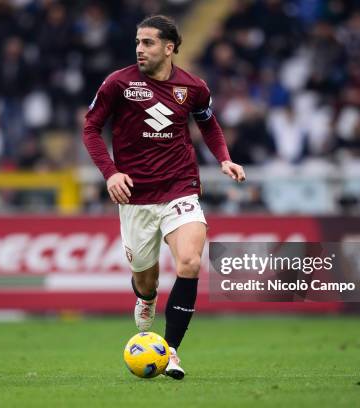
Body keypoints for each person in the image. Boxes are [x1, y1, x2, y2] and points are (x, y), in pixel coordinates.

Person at [82, 15, 245, 379]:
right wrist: (111, 173)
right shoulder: (118, 84)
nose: (140, 49)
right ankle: (146, 298)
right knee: (147, 280)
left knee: (189, 262)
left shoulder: (194, 87)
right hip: (135, 197)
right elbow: (91, 129)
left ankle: (170, 352)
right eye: (138, 42)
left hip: (180, 187)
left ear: (169, 48)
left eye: (149, 43)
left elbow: (208, 123)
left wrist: (224, 159)